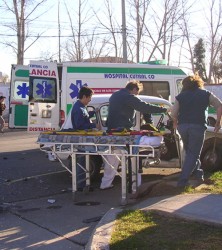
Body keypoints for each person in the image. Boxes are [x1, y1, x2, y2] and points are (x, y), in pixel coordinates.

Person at [100, 80, 167, 190]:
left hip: (111, 133)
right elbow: (144, 107)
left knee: (112, 160)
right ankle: (135, 186)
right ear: (134, 89)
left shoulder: (114, 95)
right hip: (124, 134)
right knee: (134, 160)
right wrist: (163, 109)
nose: (137, 95)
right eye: (137, 92)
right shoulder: (129, 97)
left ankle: (105, 184)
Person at [171, 75, 222, 188]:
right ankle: (182, 181)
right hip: (198, 127)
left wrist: (175, 123)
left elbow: (174, 113)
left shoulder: (180, 96)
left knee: (191, 152)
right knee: (193, 153)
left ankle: (198, 174)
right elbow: (219, 105)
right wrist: (218, 122)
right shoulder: (206, 94)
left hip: (183, 127)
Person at [71, 86, 101, 191]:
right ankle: (80, 186)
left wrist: (93, 113)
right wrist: (93, 126)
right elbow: (80, 125)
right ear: (84, 96)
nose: (90, 100)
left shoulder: (81, 107)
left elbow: (86, 117)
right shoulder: (78, 108)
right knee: (82, 163)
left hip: (84, 139)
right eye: (89, 98)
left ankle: (84, 184)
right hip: (81, 139)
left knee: (85, 162)